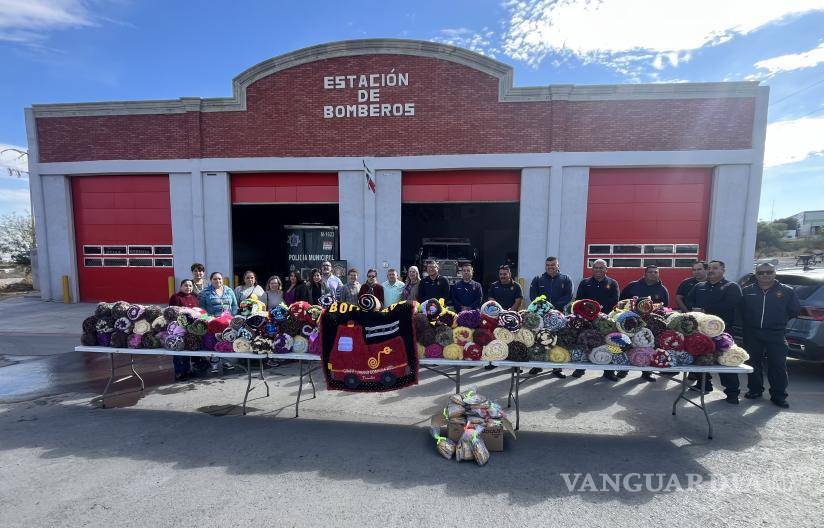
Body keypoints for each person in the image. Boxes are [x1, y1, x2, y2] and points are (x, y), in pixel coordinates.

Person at [740, 262, 801, 408]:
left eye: (769, 272)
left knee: (778, 365)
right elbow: (741, 310)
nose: (765, 275)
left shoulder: (787, 291)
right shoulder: (747, 291)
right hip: (753, 333)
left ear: (775, 273)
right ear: (756, 274)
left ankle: (778, 395)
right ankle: (755, 390)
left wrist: (779, 322)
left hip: (776, 333)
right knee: (753, 363)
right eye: (761, 273)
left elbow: (794, 310)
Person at [685, 260, 744, 403]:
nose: (711, 270)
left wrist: (705, 309)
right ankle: (704, 384)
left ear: (723, 270)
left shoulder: (731, 286)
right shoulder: (699, 286)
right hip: (700, 331)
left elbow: (730, 304)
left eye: (715, 268)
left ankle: (732, 393)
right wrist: (695, 309)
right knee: (700, 358)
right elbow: (689, 300)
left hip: (722, 332)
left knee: (725, 360)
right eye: (710, 268)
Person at [620, 265, 670, 381]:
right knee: (628, 344)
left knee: (650, 346)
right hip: (631, 322)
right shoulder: (632, 286)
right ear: (645, 274)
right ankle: (623, 369)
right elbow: (621, 302)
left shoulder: (662, 289)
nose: (653, 274)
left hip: (652, 324)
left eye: (656, 272)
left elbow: (665, 308)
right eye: (651, 272)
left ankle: (647, 372)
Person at [573, 259, 621, 380]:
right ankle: (580, 368)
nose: (598, 270)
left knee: (608, 343)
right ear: (592, 269)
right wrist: (589, 310)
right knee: (584, 341)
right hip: (587, 319)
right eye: (596, 268)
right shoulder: (585, 283)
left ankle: (609, 372)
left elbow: (615, 300)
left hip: (606, 320)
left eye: (601, 268)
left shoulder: (612, 283)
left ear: (606, 269)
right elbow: (579, 300)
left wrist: (599, 309)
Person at [528, 257, 573, 378]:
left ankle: (557, 368)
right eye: (548, 265)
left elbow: (568, 296)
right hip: (541, 316)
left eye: (553, 265)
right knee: (539, 339)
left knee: (558, 340)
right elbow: (533, 296)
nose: (550, 267)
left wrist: (553, 307)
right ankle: (537, 365)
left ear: (558, 265)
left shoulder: (566, 279)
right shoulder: (538, 279)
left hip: (558, 316)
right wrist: (545, 307)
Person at [199, 272, 238, 372]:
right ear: (211, 280)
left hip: (227, 322)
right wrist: (207, 319)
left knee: (226, 340)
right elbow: (202, 308)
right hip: (213, 322)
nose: (218, 281)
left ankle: (226, 361)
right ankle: (214, 362)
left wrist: (231, 317)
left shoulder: (229, 290)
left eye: (220, 279)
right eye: (215, 279)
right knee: (213, 341)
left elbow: (234, 305)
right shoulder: (205, 292)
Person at [168, 279, 198, 381]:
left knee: (187, 349)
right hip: (177, 328)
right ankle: (179, 372)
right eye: (186, 285)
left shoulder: (194, 297)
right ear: (181, 286)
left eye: (190, 286)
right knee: (178, 349)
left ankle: (187, 370)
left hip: (190, 328)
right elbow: (171, 313)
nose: (188, 287)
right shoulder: (176, 297)